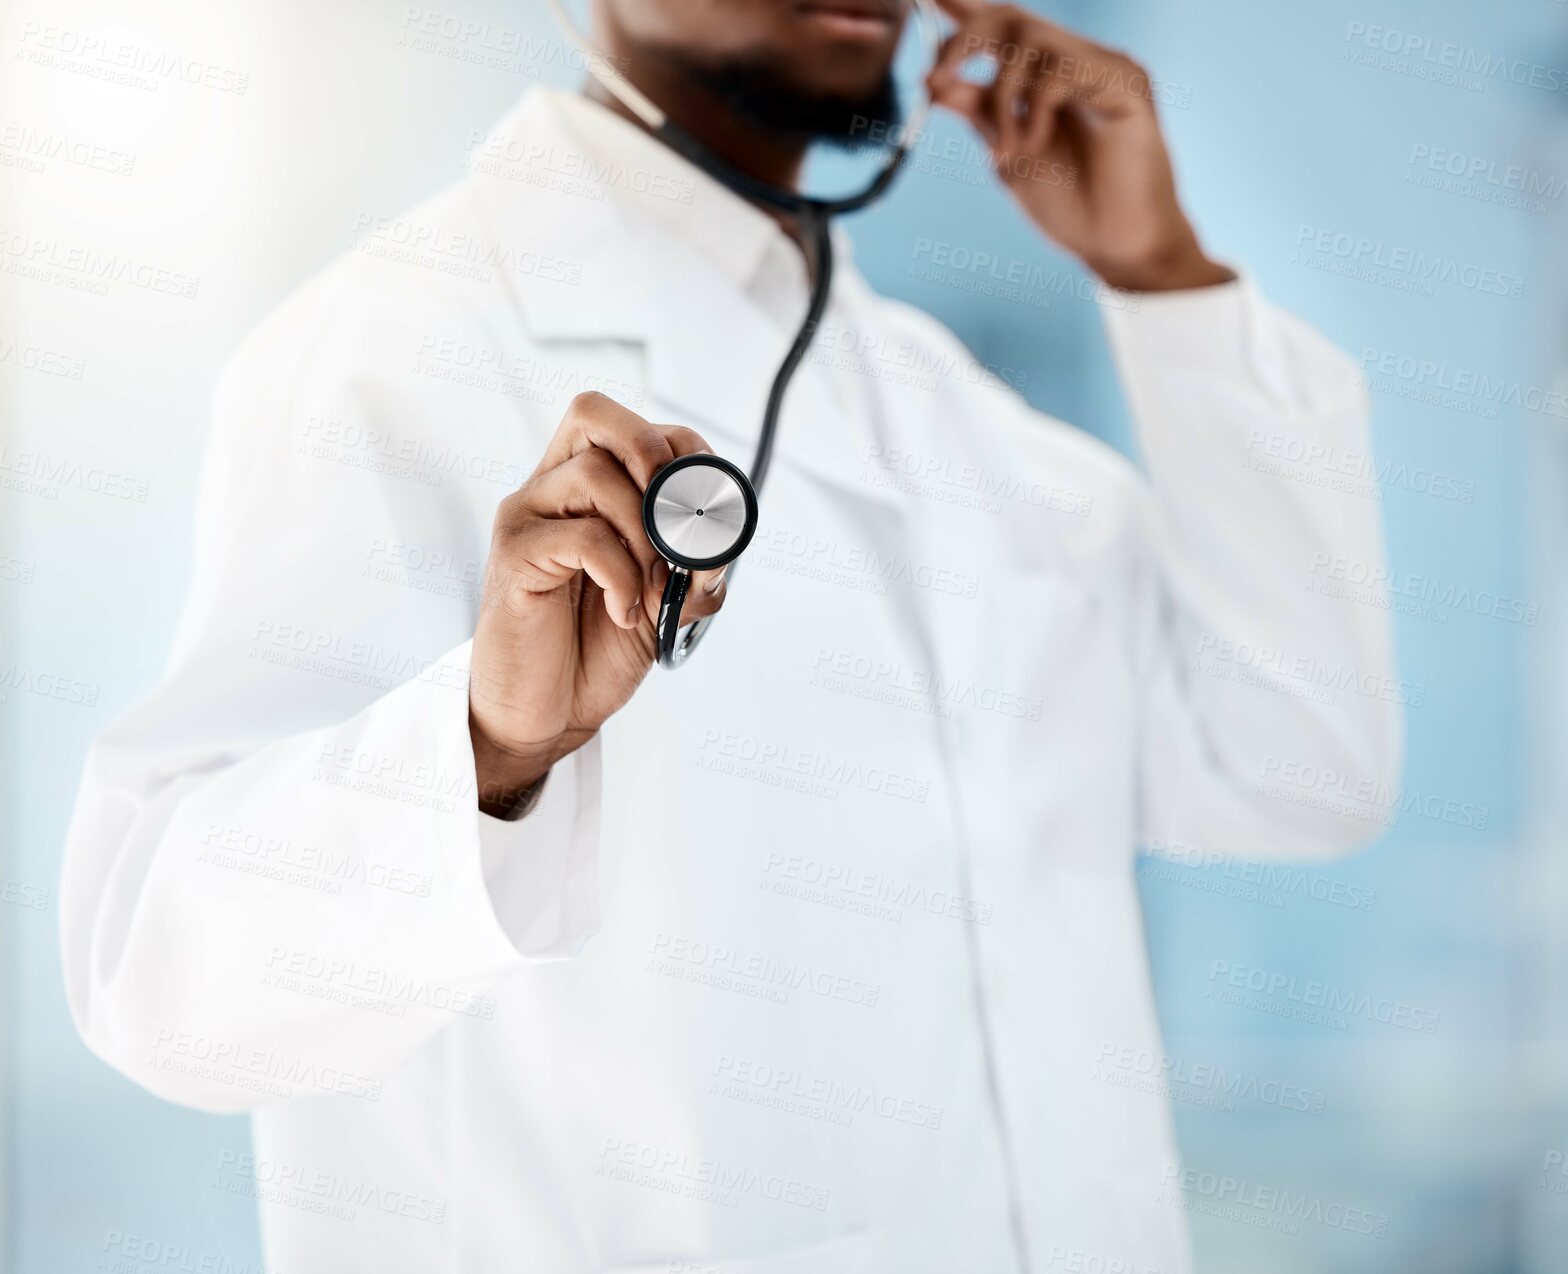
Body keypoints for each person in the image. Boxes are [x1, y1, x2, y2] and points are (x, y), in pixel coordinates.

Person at [60, 0, 1400, 1270]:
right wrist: (488, 746)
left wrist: (1165, 278)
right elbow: (162, 988)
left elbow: (1298, 762)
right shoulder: (393, 350)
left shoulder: (967, 431)